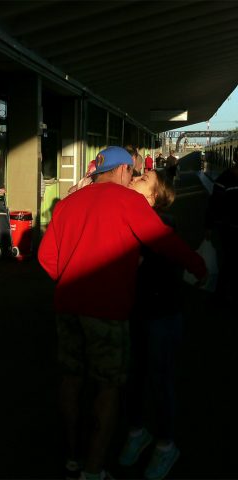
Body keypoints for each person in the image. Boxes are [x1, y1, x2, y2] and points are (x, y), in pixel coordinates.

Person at [37, 147, 207, 480]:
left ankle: (72, 457)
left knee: (71, 380)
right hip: (107, 311)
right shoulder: (126, 202)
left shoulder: (68, 204)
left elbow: (46, 259)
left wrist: (71, 279)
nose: (132, 178)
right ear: (122, 170)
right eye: (133, 172)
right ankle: (93, 470)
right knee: (108, 387)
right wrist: (199, 266)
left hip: (67, 308)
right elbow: (164, 241)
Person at [119, 170, 184, 480]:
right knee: (133, 376)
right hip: (136, 313)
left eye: (144, 178)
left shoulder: (163, 226)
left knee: (160, 380)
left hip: (162, 315)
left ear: (153, 197)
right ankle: (137, 432)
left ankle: (166, 444)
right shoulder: (127, 215)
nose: (135, 177)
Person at [205, 155, 238, 305]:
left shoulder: (224, 178)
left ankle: (223, 295)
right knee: (227, 263)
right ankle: (222, 296)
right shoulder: (225, 178)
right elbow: (215, 204)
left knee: (228, 263)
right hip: (229, 228)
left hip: (228, 227)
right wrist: (209, 226)